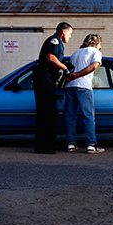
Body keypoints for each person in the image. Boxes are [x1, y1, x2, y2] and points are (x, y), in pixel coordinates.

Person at [33, 22, 73, 154]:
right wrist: (64, 67)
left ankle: (49, 143)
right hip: (44, 78)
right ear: (63, 32)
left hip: (48, 79)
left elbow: (54, 59)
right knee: (45, 112)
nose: (70, 37)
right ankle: (42, 146)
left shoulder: (58, 43)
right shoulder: (54, 40)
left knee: (50, 111)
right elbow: (50, 57)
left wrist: (63, 64)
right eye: (70, 33)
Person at [64, 34, 105, 154]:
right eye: (100, 44)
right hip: (83, 86)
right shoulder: (95, 52)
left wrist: (74, 76)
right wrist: (78, 75)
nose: (101, 47)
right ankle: (91, 144)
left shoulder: (76, 53)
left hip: (70, 86)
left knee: (70, 116)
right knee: (88, 116)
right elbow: (93, 66)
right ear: (95, 43)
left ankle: (71, 144)